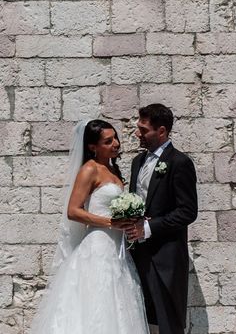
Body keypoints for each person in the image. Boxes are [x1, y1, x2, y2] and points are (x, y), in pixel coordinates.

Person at [30, 119, 149, 334]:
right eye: (108, 141)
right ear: (92, 147)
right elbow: (73, 211)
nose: (116, 144)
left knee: (119, 305)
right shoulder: (89, 169)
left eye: (115, 138)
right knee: (97, 305)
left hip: (117, 248)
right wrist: (110, 223)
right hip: (98, 247)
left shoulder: (113, 169)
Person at [126, 104, 198, 334]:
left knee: (168, 321)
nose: (138, 133)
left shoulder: (179, 162)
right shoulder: (137, 162)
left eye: (143, 129)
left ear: (162, 131)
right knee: (142, 316)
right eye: (139, 128)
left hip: (166, 258)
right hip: (138, 253)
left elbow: (187, 211)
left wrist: (148, 227)